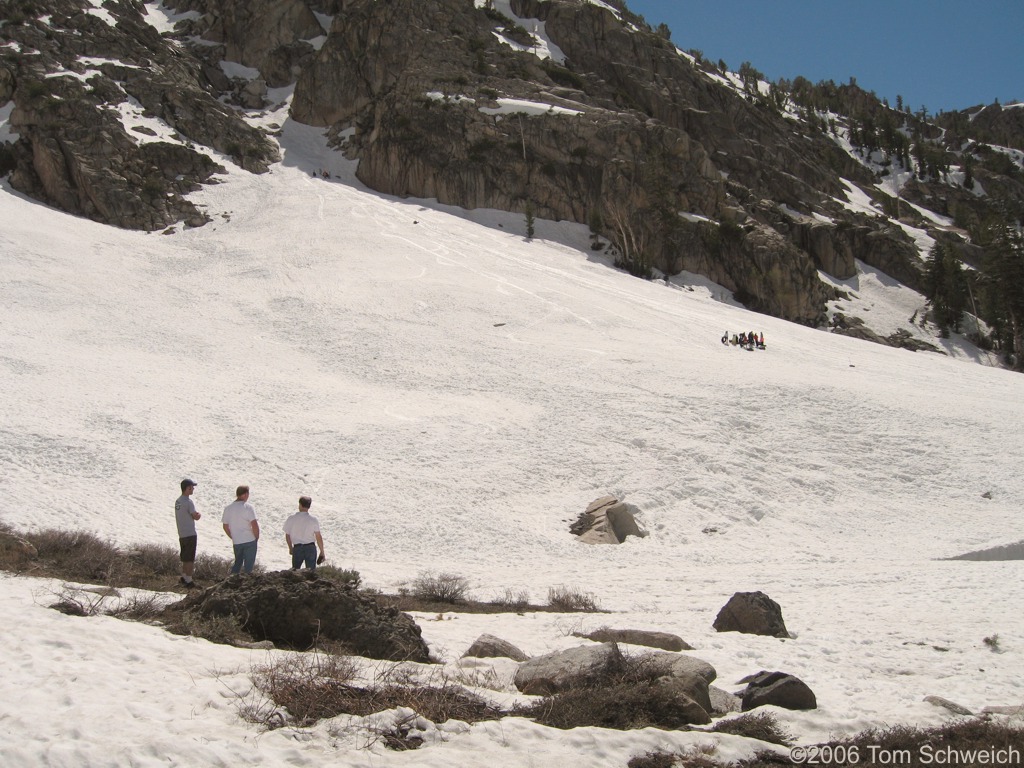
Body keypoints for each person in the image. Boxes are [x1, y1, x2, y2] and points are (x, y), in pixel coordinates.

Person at [222, 485, 260, 574]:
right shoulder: (248, 507)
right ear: (245, 494)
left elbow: (225, 526)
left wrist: (233, 536)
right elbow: (254, 524)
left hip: (237, 541)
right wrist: (256, 537)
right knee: (248, 567)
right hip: (249, 540)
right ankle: (247, 584)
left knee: (237, 563)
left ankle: (231, 583)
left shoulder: (228, 508)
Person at [283, 496, 325, 571]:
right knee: (311, 573)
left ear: (300, 505)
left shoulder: (291, 518)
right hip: (310, 548)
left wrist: (290, 548)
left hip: (297, 548)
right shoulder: (313, 520)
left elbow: (287, 535)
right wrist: (322, 551)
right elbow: (318, 537)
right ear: (309, 506)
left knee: (295, 572)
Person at [174, 479, 201, 587]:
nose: (193, 489)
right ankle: (189, 580)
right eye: (191, 487)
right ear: (187, 488)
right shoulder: (188, 502)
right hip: (190, 533)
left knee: (185, 557)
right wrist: (198, 515)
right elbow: (195, 516)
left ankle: (184, 576)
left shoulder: (178, 501)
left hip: (182, 533)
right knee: (190, 558)